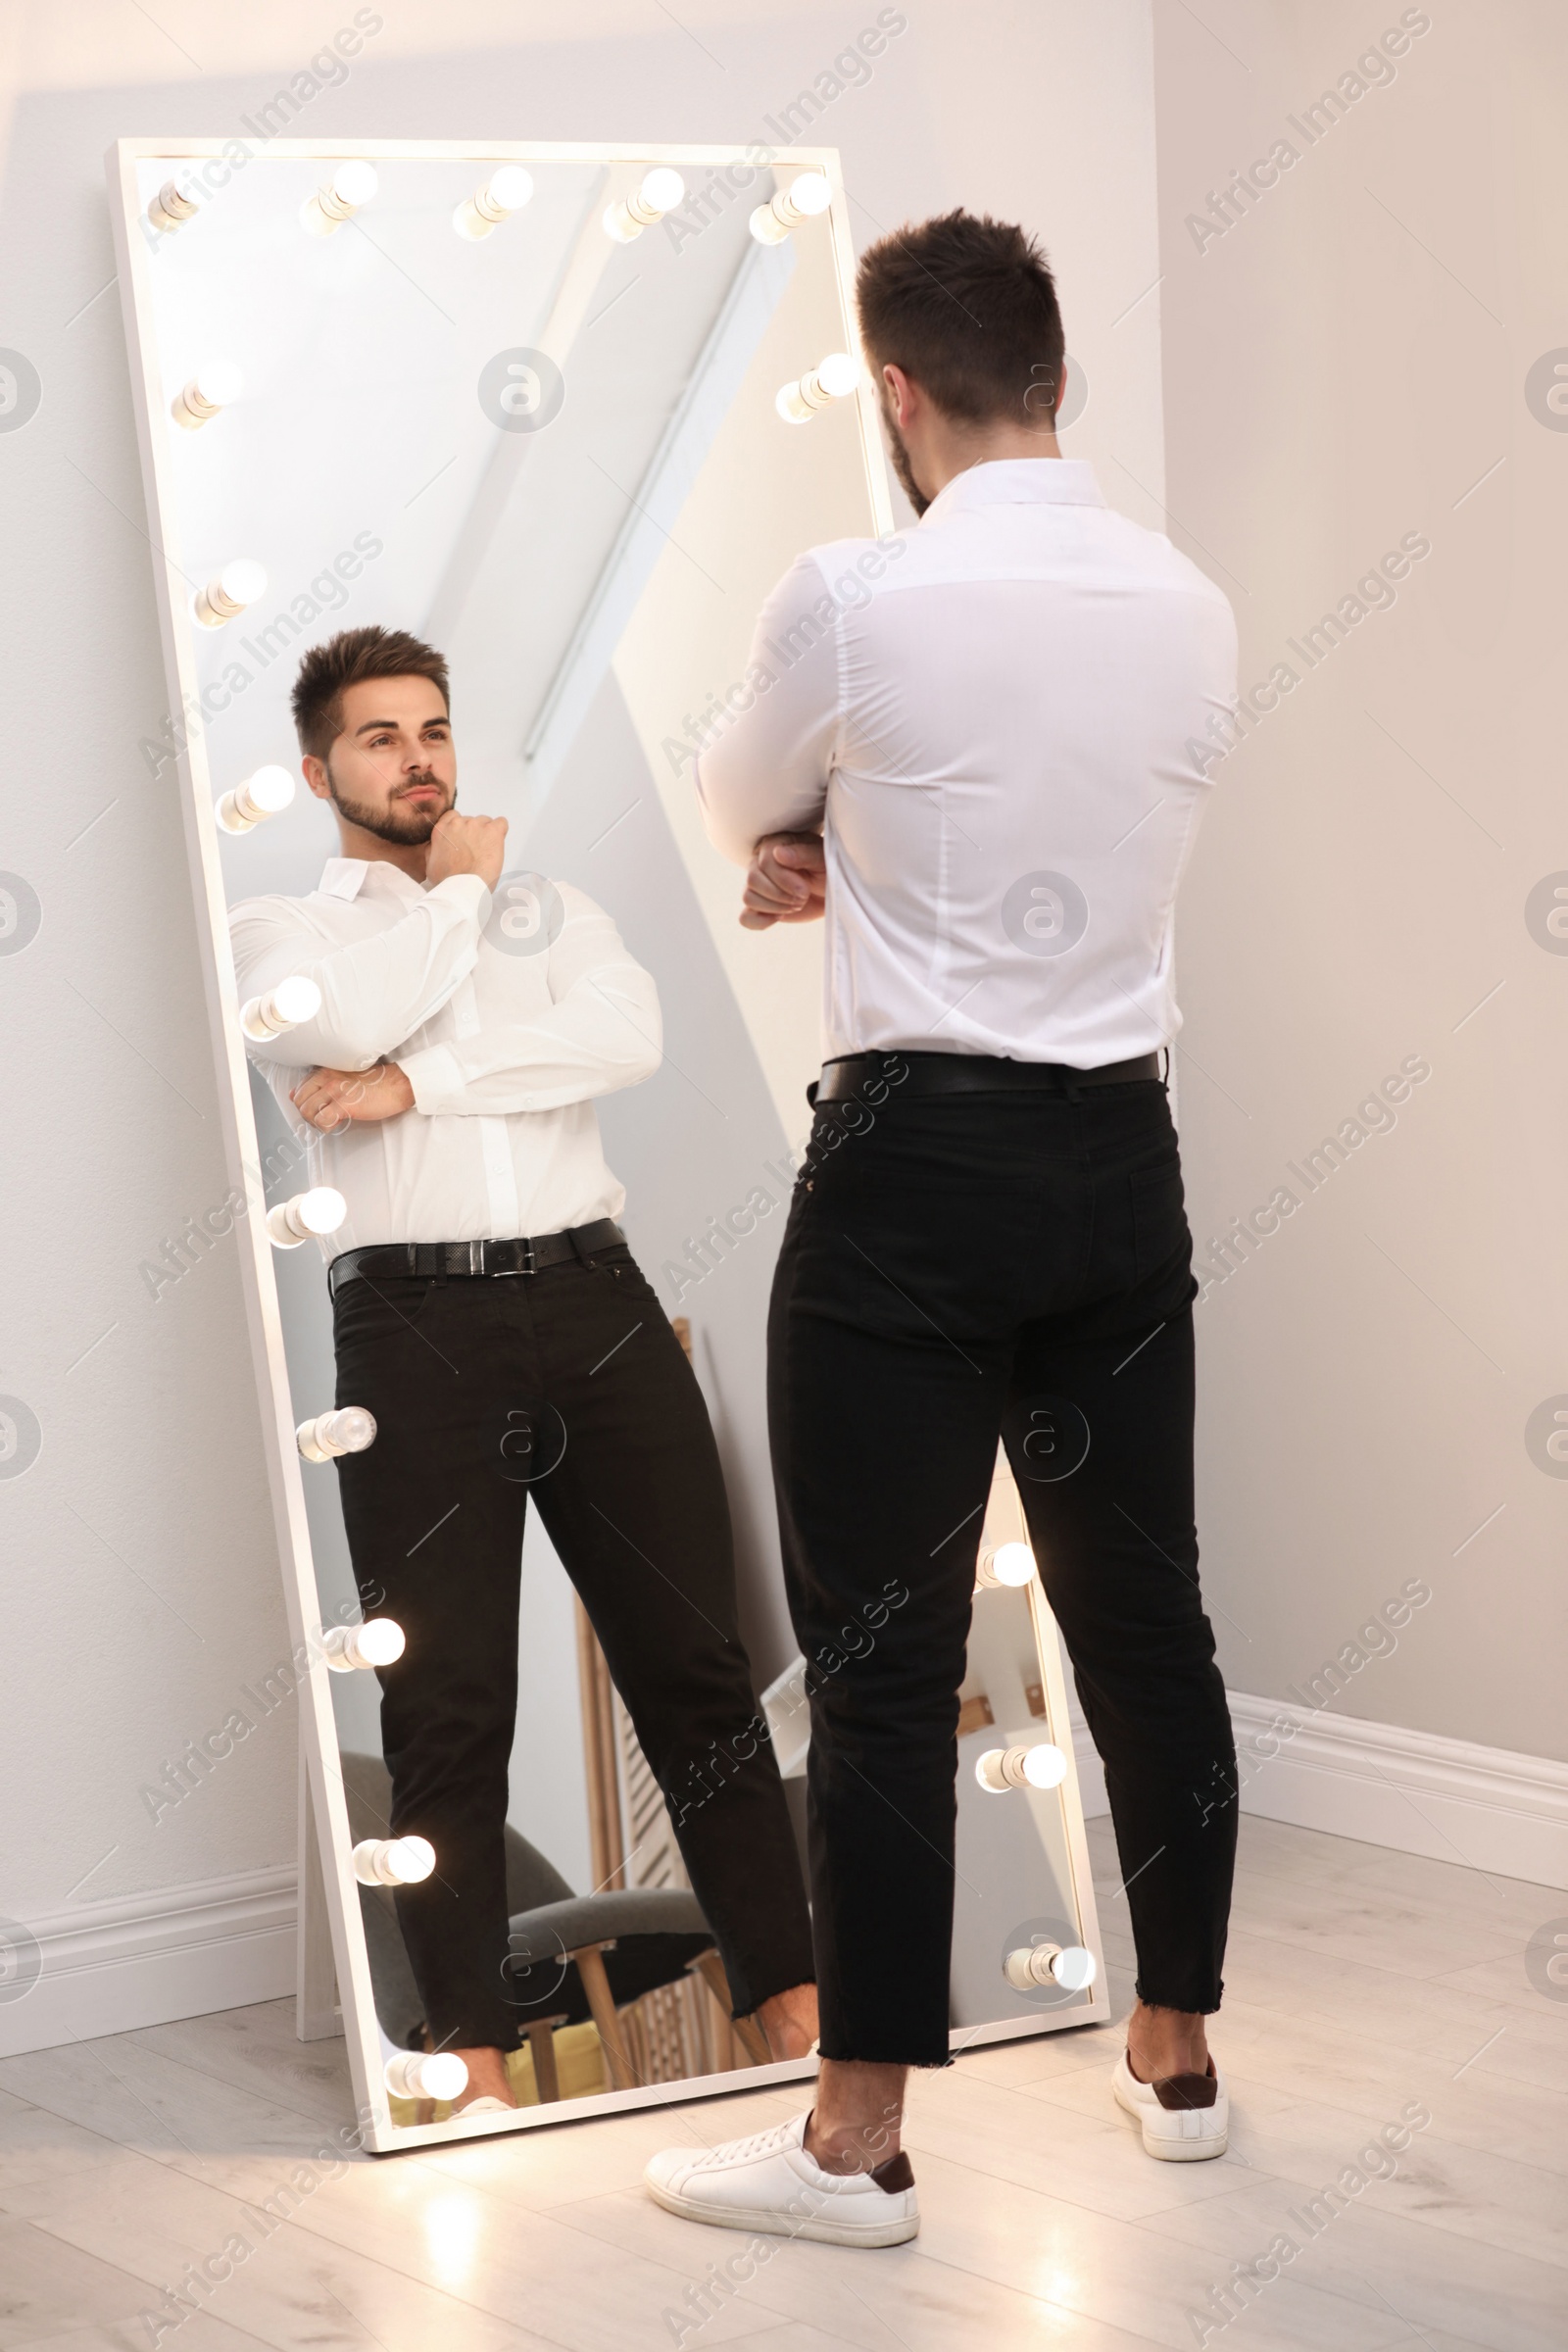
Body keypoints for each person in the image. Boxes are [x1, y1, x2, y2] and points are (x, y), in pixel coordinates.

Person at [644, 210, 1240, 2245]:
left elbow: (735, 798)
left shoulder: (857, 594)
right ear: (1050, 374)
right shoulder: (1185, 602)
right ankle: (1171, 2059)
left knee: (887, 1660)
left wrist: (823, 835)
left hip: (911, 1170)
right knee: (1144, 1627)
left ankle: (853, 2145)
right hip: (1119, 1162)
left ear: (893, 391)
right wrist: (872, 837)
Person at [230, 624, 817, 2113]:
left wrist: (420, 1082)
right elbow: (348, 1020)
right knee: (448, 1704)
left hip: (596, 1307)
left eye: (433, 728)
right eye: (380, 736)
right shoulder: (278, 939)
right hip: (412, 1336)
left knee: (696, 1669)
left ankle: (799, 2024)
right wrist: (462, 902)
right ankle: (474, 2082)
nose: (420, 755)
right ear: (319, 771)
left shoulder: (556, 912)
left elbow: (625, 1037)